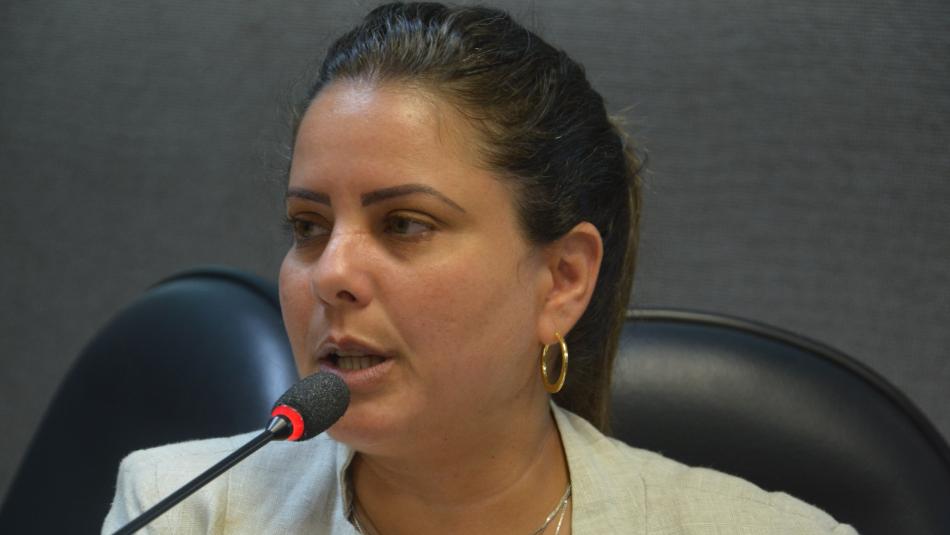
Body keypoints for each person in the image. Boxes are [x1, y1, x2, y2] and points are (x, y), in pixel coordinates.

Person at [103, 3, 858, 534]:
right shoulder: (183, 511)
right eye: (309, 226)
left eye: (405, 224)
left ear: (562, 280)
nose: (331, 272)